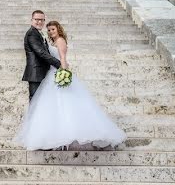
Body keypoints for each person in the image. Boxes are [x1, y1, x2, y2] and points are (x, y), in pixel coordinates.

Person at [15, 19, 126, 151]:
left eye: (53, 30)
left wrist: (63, 70)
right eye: (49, 30)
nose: (51, 32)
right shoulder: (51, 41)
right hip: (51, 73)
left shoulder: (60, 40)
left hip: (58, 71)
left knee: (65, 102)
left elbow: (63, 57)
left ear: (58, 29)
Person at [21, 10, 60, 101]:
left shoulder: (38, 33)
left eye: (42, 20)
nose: (39, 22)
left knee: (40, 101)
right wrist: (58, 64)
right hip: (36, 73)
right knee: (35, 101)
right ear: (31, 20)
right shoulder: (32, 33)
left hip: (42, 71)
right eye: (37, 19)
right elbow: (41, 52)